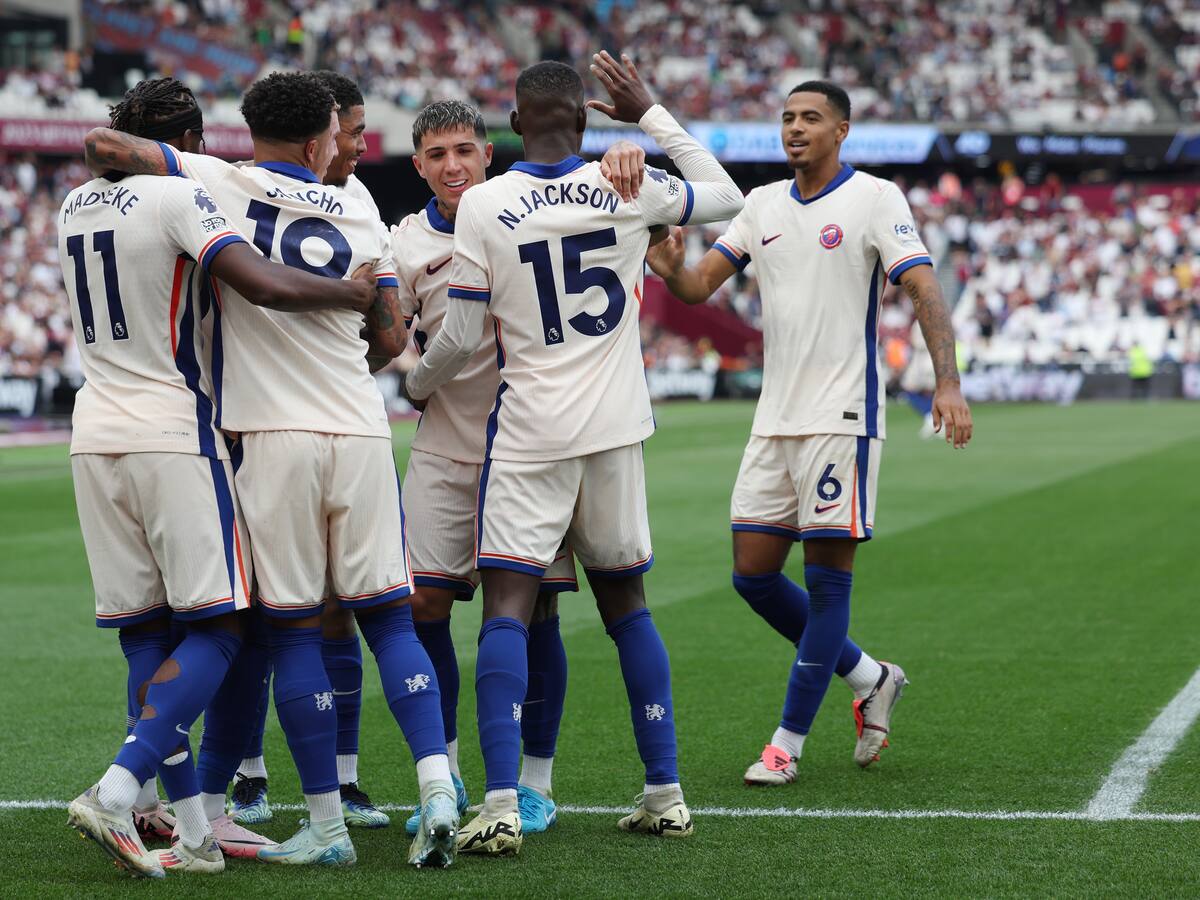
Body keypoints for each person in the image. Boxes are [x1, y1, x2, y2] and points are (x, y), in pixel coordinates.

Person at [83, 71, 458, 869]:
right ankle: (439, 789)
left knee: (288, 629)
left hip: (261, 434)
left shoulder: (218, 180)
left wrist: (146, 149)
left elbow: (108, 147)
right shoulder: (361, 209)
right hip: (357, 428)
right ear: (323, 139)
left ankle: (322, 826)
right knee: (390, 619)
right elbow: (391, 340)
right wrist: (354, 319)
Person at [402, 52, 744, 854]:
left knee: (508, 610)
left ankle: (499, 802)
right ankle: (665, 791)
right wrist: (648, 115)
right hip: (618, 430)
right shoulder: (630, 185)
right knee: (628, 609)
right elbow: (728, 194)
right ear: (587, 122)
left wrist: (418, 384)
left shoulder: (485, 203)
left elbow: (460, 332)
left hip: (530, 435)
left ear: (512, 126)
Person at [645, 81, 973, 785]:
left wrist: (946, 379)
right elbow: (701, 285)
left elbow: (922, 287)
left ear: (842, 130)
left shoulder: (876, 198)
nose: (795, 128)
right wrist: (671, 266)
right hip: (776, 419)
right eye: (788, 117)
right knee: (753, 575)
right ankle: (870, 676)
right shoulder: (762, 203)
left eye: (811, 118)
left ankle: (786, 744)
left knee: (826, 588)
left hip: (842, 416)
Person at [392, 98, 647, 838]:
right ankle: (441, 775)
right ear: (418, 165)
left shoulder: (522, 214)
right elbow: (393, 332)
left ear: (489, 155)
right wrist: (412, 370)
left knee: (537, 611)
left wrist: (620, 158)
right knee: (424, 609)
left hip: (534, 447)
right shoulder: (406, 241)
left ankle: (534, 784)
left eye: (465, 150)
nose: (453, 166)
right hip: (448, 448)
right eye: (437, 154)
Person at [227, 67, 392, 833]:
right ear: (322, 132)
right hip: (250, 421)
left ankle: (343, 783)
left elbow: (386, 340)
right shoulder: (233, 183)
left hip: (297, 423)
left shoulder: (359, 202)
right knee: (260, 612)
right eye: (351, 130)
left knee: (327, 612)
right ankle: (250, 774)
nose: (357, 145)